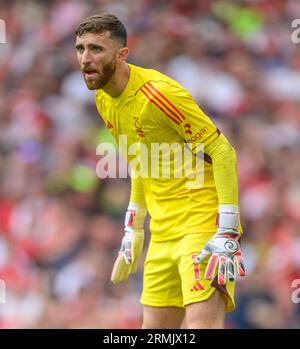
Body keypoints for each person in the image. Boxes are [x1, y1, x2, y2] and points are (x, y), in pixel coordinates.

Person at [75, 13, 246, 329]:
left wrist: (228, 229)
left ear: (122, 54)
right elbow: (140, 160)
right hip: (162, 232)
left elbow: (223, 151)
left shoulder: (159, 94)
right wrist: (134, 225)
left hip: (202, 224)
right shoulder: (103, 99)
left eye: (96, 49)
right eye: (80, 48)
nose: (85, 58)